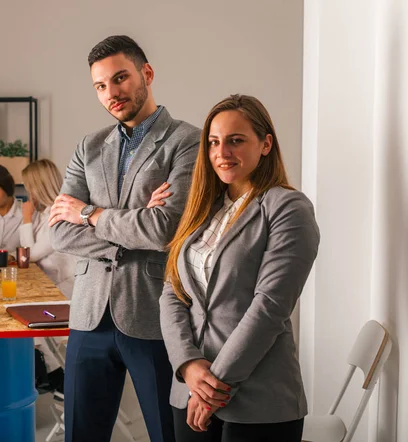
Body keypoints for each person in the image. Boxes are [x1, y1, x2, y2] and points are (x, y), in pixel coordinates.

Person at [49, 35, 200, 442]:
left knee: (168, 434)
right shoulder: (89, 147)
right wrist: (134, 225)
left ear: (146, 74)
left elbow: (164, 228)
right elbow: (59, 231)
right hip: (88, 313)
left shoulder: (187, 142)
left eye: (120, 79)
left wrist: (89, 214)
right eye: (100, 86)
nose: (111, 93)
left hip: (152, 312)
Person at [159, 94, 320, 442]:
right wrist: (187, 364)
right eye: (214, 142)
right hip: (189, 391)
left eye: (235, 140)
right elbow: (172, 294)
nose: (222, 152)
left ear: (265, 144)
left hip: (258, 401)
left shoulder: (288, 208)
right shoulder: (202, 208)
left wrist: (215, 385)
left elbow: (270, 308)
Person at [20, 159, 77, 393]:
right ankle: (53, 374)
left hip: (66, 295)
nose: (26, 193)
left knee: (25, 318)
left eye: (27, 187)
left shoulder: (58, 216)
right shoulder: (45, 214)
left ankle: (53, 375)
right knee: (22, 313)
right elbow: (24, 252)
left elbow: (28, 255)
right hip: (53, 290)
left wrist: (25, 218)